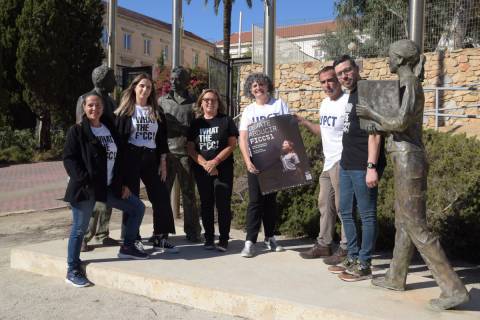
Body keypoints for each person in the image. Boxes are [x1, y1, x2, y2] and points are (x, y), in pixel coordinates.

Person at [356, 39, 469, 310]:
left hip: (409, 159)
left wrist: (370, 112)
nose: (387, 61)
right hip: (404, 157)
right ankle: (396, 275)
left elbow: (400, 122)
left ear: (402, 60)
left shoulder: (410, 84)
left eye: (390, 56)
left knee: (416, 224)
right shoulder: (403, 84)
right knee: (404, 221)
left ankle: (453, 288)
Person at [63, 93, 148, 288]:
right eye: (90, 105)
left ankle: (128, 246)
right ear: (84, 108)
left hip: (110, 187)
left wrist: (124, 183)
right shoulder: (77, 131)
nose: (95, 109)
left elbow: (120, 159)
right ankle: (72, 269)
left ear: (103, 108)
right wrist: (84, 179)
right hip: (86, 189)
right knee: (79, 228)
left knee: (137, 208)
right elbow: (69, 159)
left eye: (98, 105)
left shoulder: (109, 129)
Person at [327, 55, 386, 282]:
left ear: (356, 68)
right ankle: (352, 256)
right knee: (345, 212)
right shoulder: (351, 95)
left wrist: (372, 167)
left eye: (347, 70)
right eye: (340, 73)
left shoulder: (368, 92)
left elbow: (375, 135)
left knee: (367, 215)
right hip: (347, 164)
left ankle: (364, 263)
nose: (344, 76)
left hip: (363, 166)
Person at [115, 73, 178, 253]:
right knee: (131, 198)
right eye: (142, 86)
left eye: (148, 87)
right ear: (134, 88)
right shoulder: (124, 112)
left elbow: (161, 140)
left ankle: (160, 236)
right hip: (131, 157)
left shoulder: (156, 112)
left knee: (161, 196)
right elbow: (119, 142)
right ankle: (132, 239)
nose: (145, 89)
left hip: (151, 158)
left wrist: (163, 162)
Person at [296, 66, 348, 264]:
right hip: (328, 163)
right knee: (325, 204)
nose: (327, 85)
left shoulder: (347, 102)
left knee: (343, 207)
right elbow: (323, 131)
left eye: (330, 80)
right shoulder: (325, 104)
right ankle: (324, 245)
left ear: (338, 80)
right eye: (323, 82)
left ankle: (346, 248)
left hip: (342, 162)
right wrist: (304, 122)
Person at [238, 73, 288, 258]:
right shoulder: (249, 111)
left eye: (261, 84)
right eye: (254, 86)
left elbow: (288, 129)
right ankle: (250, 241)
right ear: (250, 90)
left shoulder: (279, 104)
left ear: (268, 86)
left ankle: (270, 238)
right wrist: (247, 161)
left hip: (276, 161)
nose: (258, 88)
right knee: (255, 202)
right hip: (256, 162)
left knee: (270, 202)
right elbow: (243, 138)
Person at [187, 89, 238, 252]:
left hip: (223, 169)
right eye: (207, 100)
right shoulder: (196, 123)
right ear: (201, 103)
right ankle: (209, 238)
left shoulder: (226, 120)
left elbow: (232, 145)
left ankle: (223, 239)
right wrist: (205, 164)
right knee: (206, 204)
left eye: (214, 100)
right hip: (203, 171)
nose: (210, 102)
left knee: (223, 204)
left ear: (218, 103)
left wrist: (215, 162)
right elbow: (190, 148)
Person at [75, 65, 118, 251]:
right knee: (92, 202)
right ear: (102, 79)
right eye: (112, 78)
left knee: (107, 198)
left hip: (109, 155)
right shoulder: (85, 98)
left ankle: (103, 233)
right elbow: (80, 127)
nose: (115, 82)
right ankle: (85, 236)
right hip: (92, 157)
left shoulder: (111, 101)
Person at [158, 66, 202, 242]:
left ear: (185, 81)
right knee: (163, 193)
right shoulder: (162, 102)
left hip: (185, 154)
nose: (173, 82)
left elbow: (198, 129)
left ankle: (193, 231)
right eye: (172, 79)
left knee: (189, 194)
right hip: (167, 154)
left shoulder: (193, 104)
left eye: (177, 79)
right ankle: (161, 230)